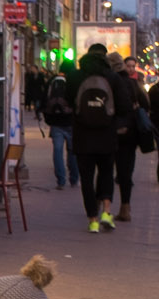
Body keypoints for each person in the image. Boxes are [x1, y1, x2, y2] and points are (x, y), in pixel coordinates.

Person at [67, 44, 127, 233]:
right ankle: (107, 212)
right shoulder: (113, 77)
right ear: (105, 56)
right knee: (107, 173)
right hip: (106, 135)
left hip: (82, 135)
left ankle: (92, 219)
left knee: (86, 178)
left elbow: (68, 102)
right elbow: (124, 106)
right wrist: (115, 124)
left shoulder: (75, 76)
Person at [111, 53, 150, 221]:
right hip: (131, 132)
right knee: (126, 171)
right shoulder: (133, 83)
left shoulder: (109, 83)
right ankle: (125, 207)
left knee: (106, 168)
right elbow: (146, 104)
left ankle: (102, 204)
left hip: (112, 131)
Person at [43, 60, 78, 190]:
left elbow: (44, 98)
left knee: (57, 151)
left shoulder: (53, 80)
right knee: (73, 151)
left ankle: (61, 181)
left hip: (56, 121)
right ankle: (74, 179)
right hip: (71, 121)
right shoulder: (73, 82)